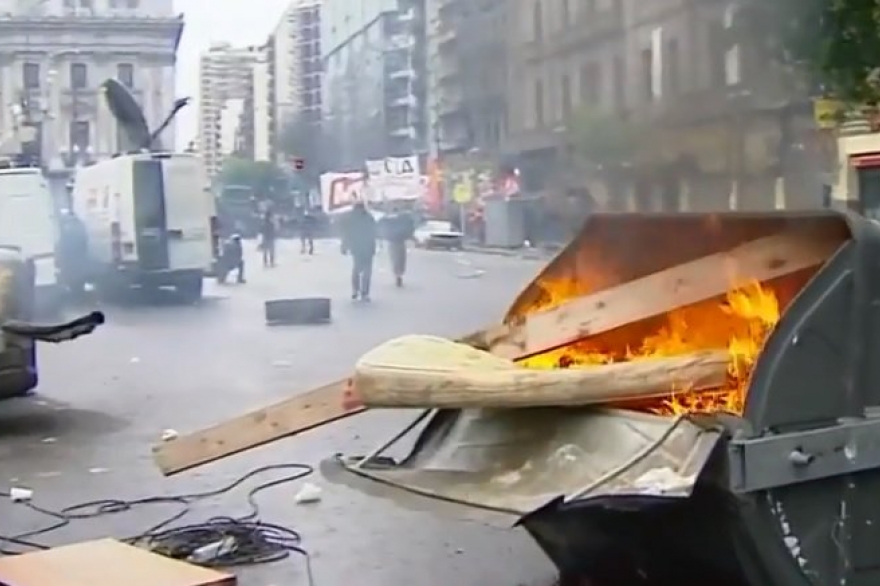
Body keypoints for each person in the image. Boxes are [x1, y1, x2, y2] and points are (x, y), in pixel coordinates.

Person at [342, 201, 377, 301]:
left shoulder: (350, 218)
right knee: (366, 271)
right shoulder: (368, 218)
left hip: (357, 247)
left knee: (357, 269)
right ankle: (364, 292)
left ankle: (356, 290)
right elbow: (373, 232)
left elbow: (346, 234)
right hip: (366, 246)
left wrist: (345, 246)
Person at [56, 209, 90, 301]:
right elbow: (84, 239)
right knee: (77, 275)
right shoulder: (78, 224)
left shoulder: (68, 226)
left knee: (73, 275)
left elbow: (63, 241)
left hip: (72, 255)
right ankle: (78, 294)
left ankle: (77, 295)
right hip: (77, 255)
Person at [385, 206, 414, 287]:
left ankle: (397, 274)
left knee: (394, 258)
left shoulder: (389, 220)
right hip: (400, 241)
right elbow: (408, 229)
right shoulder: (402, 220)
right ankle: (399, 274)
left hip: (392, 242)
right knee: (401, 258)